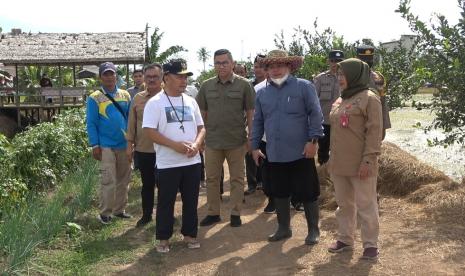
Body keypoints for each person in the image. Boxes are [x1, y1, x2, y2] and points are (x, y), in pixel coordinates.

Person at [251, 49, 324, 245]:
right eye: (271, 66)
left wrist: (313, 141)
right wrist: (254, 146)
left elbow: (316, 115)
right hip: (274, 152)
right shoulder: (262, 93)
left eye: (280, 65)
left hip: (302, 151)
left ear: (289, 66)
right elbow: (257, 121)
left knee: (308, 192)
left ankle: (313, 230)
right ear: (266, 70)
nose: (275, 70)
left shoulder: (304, 87)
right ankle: (284, 228)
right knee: (279, 191)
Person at [143, 59, 205, 253]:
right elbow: (150, 131)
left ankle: (190, 234)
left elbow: (202, 127)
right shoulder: (155, 103)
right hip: (167, 163)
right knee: (165, 202)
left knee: (191, 200)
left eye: (185, 77)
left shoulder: (190, 101)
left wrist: (196, 144)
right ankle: (163, 238)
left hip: (192, 161)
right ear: (166, 77)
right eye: (179, 76)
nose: (184, 81)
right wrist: (174, 146)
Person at [327, 58, 382, 260]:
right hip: (340, 162)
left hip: (361, 163)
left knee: (366, 205)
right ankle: (345, 239)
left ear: (355, 75)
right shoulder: (342, 98)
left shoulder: (369, 98)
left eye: (344, 74)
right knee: (344, 204)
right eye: (339, 74)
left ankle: (370, 245)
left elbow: (374, 132)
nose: (340, 78)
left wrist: (368, 160)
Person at [197, 49, 255, 228]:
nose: (221, 66)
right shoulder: (206, 86)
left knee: (237, 178)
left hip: (236, 140)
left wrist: (251, 138)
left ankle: (236, 213)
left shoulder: (244, 85)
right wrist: (199, 139)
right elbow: (202, 114)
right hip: (213, 141)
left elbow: (251, 113)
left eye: (224, 62)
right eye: (217, 63)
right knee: (212, 179)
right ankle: (213, 212)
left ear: (232, 63)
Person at [86, 62, 132, 224]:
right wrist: (95, 145)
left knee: (124, 179)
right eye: (105, 74)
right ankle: (105, 213)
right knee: (109, 179)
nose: (109, 77)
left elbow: (130, 119)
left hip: (124, 144)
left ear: (116, 75)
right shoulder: (94, 98)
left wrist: (131, 142)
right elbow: (91, 123)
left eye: (112, 73)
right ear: (100, 77)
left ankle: (120, 210)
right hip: (105, 145)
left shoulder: (126, 95)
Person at [126, 63, 163, 227]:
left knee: (165, 186)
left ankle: (165, 215)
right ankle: (146, 215)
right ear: (144, 79)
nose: (152, 80)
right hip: (144, 149)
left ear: (162, 77)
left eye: (156, 76)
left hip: (166, 150)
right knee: (147, 185)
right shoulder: (138, 98)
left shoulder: (169, 96)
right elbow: (132, 123)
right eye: (149, 77)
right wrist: (129, 145)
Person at [314, 50, 345, 165]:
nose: (335, 64)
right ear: (328, 61)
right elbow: (314, 100)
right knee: (323, 150)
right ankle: (323, 176)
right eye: (332, 61)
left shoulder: (348, 79)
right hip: (325, 121)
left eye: (338, 61)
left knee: (340, 150)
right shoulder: (320, 78)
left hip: (342, 121)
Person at [356, 45, 391, 140]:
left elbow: (383, 103)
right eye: (364, 60)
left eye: (369, 59)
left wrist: (384, 126)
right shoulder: (350, 77)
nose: (367, 63)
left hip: (373, 123)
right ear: (357, 59)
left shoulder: (378, 78)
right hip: (354, 124)